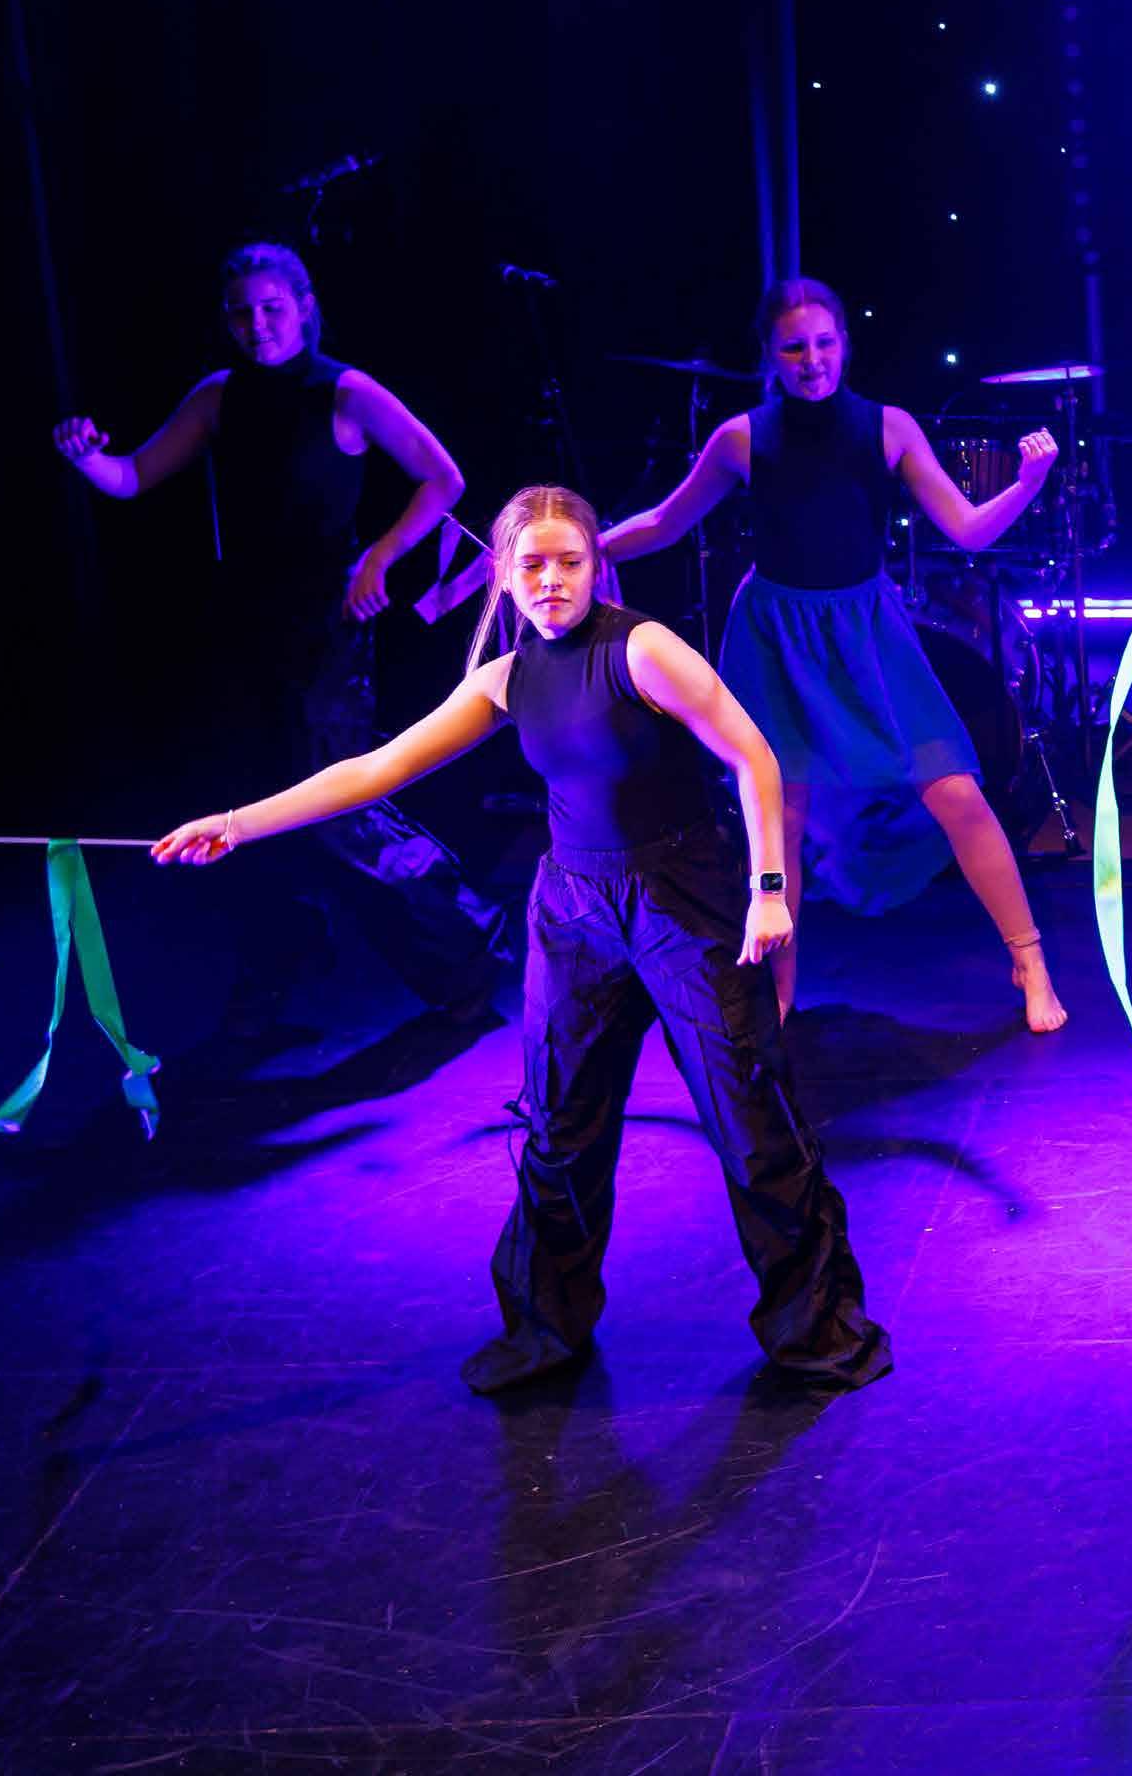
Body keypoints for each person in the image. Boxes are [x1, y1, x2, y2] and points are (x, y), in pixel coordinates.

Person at [154, 484, 893, 1396]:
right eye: (532, 564)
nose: (551, 580)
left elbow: (755, 755)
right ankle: (546, 1328)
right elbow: (376, 768)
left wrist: (768, 889)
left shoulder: (642, 649)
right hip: (573, 912)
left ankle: (816, 1328)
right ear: (503, 574)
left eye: (569, 561)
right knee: (559, 1127)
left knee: (751, 1122)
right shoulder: (504, 679)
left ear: (595, 565)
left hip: (682, 902)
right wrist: (237, 823)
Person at [54, 241, 505, 1023]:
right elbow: (131, 478)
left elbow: (445, 477)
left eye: (272, 307)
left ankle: (467, 946)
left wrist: (380, 556)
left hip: (327, 628)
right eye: (242, 311)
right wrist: (87, 457)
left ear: (303, 308)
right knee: (248, 803)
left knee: (339, 808)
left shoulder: (347, 391)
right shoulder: (218, 397)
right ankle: (285, 957)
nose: (257, 323)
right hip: (245, 628)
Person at [599, 277, 1066, 1032]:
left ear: (844, 345)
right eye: (794, 347)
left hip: (868, 634)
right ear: (770, 354)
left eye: (824, 343)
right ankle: (779, 995)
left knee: (955, 791)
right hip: (775, 639)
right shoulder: (741, 438)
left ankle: (1030, 960)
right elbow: (664, 520)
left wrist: (1027, 484)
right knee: (780, 814)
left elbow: (968, 529)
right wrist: (584, 549)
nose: (812, 359)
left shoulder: (889, 428)